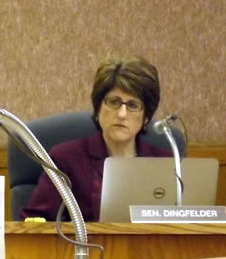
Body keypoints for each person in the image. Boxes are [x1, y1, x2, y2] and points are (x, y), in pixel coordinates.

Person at [20, 56, 170, 221]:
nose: (121, 114)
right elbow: (33, 222)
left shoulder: (166, 163)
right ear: (98, 109)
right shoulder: (66, 159)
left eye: (133, 105)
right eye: (114, 102)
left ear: (146, 117)